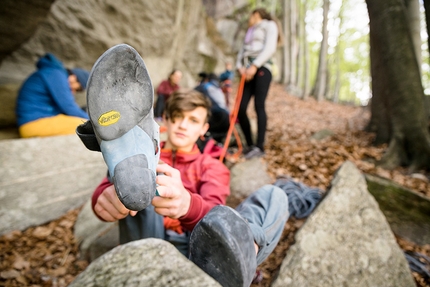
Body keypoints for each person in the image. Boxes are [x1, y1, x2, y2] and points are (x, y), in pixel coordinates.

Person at [76, 44, 289, 287]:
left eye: (193, 120)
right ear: (164, 120)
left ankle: (239, 250)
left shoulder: (212, 166)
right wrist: (103, 199)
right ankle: (137, 184)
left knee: (274, 195)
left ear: (204, 129)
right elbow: (104, 191)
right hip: (147, 242)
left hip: (198, 250)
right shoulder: (142, 157)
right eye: (176, 117)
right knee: (139, 176)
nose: (182, 125)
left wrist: (187, 205)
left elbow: (214, 209)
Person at [236, 8, 281, 159]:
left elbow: (270, 48)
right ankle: (249, 145)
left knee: (258, 105)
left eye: (250, 15)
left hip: (262, 67)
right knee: (240, 108)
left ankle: (259, 146)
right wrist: (240, 67)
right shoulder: (250, 32)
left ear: (256, 15)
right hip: (246, 71)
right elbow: (241, 52)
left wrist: (255, 65)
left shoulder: (269, 25)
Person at [16, 53, 90, 138]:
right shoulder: (56, 74)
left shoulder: (52, 73)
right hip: (32, 124)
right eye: (78, 89)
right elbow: (68, 107)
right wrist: (94, 122)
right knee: (85, 126)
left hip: (35, 121)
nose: (73, 92)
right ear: (74, 78)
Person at [195, 72, 230, 143]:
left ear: (207, 79)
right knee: (217, 137)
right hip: (226, 117)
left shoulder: (205, 85)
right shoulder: (218, 89)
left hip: (216, 114)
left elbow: (190, 94)